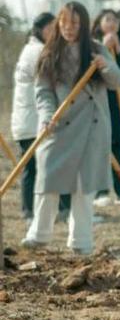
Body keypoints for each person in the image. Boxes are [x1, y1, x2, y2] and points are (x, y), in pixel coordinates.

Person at [22, 2, 120, 254]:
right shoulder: (49, 53)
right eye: (64, 23)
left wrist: (105, 66)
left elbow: (117, 81)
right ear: (58, 23)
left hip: (92, 126)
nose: (68, 28)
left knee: (83, 187)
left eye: (74, 24)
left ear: (84, 25)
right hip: (58, 125)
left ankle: (81, 242)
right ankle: (39, 235)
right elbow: (43, 91)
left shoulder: (97, 49)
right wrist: (46, 116)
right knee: (48, 180)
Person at [10, 13, 70, 222]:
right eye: (53, 27)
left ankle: (36, 211)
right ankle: (38, 211)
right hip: (34, 119)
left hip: (30, 119)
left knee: (35, 166)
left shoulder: (32, 48)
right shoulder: (38, 51)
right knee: (42, 166)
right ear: (42, 29)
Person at [91, 9, 120, 206]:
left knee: (119, 144)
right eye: (108, 19)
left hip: (119, 100)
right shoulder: (92, 44)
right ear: (99, 23)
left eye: (115, 20)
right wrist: (104, 47)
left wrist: (118, 47)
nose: (112, 23)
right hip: (99, 100)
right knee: (100, 146)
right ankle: (101, 192)